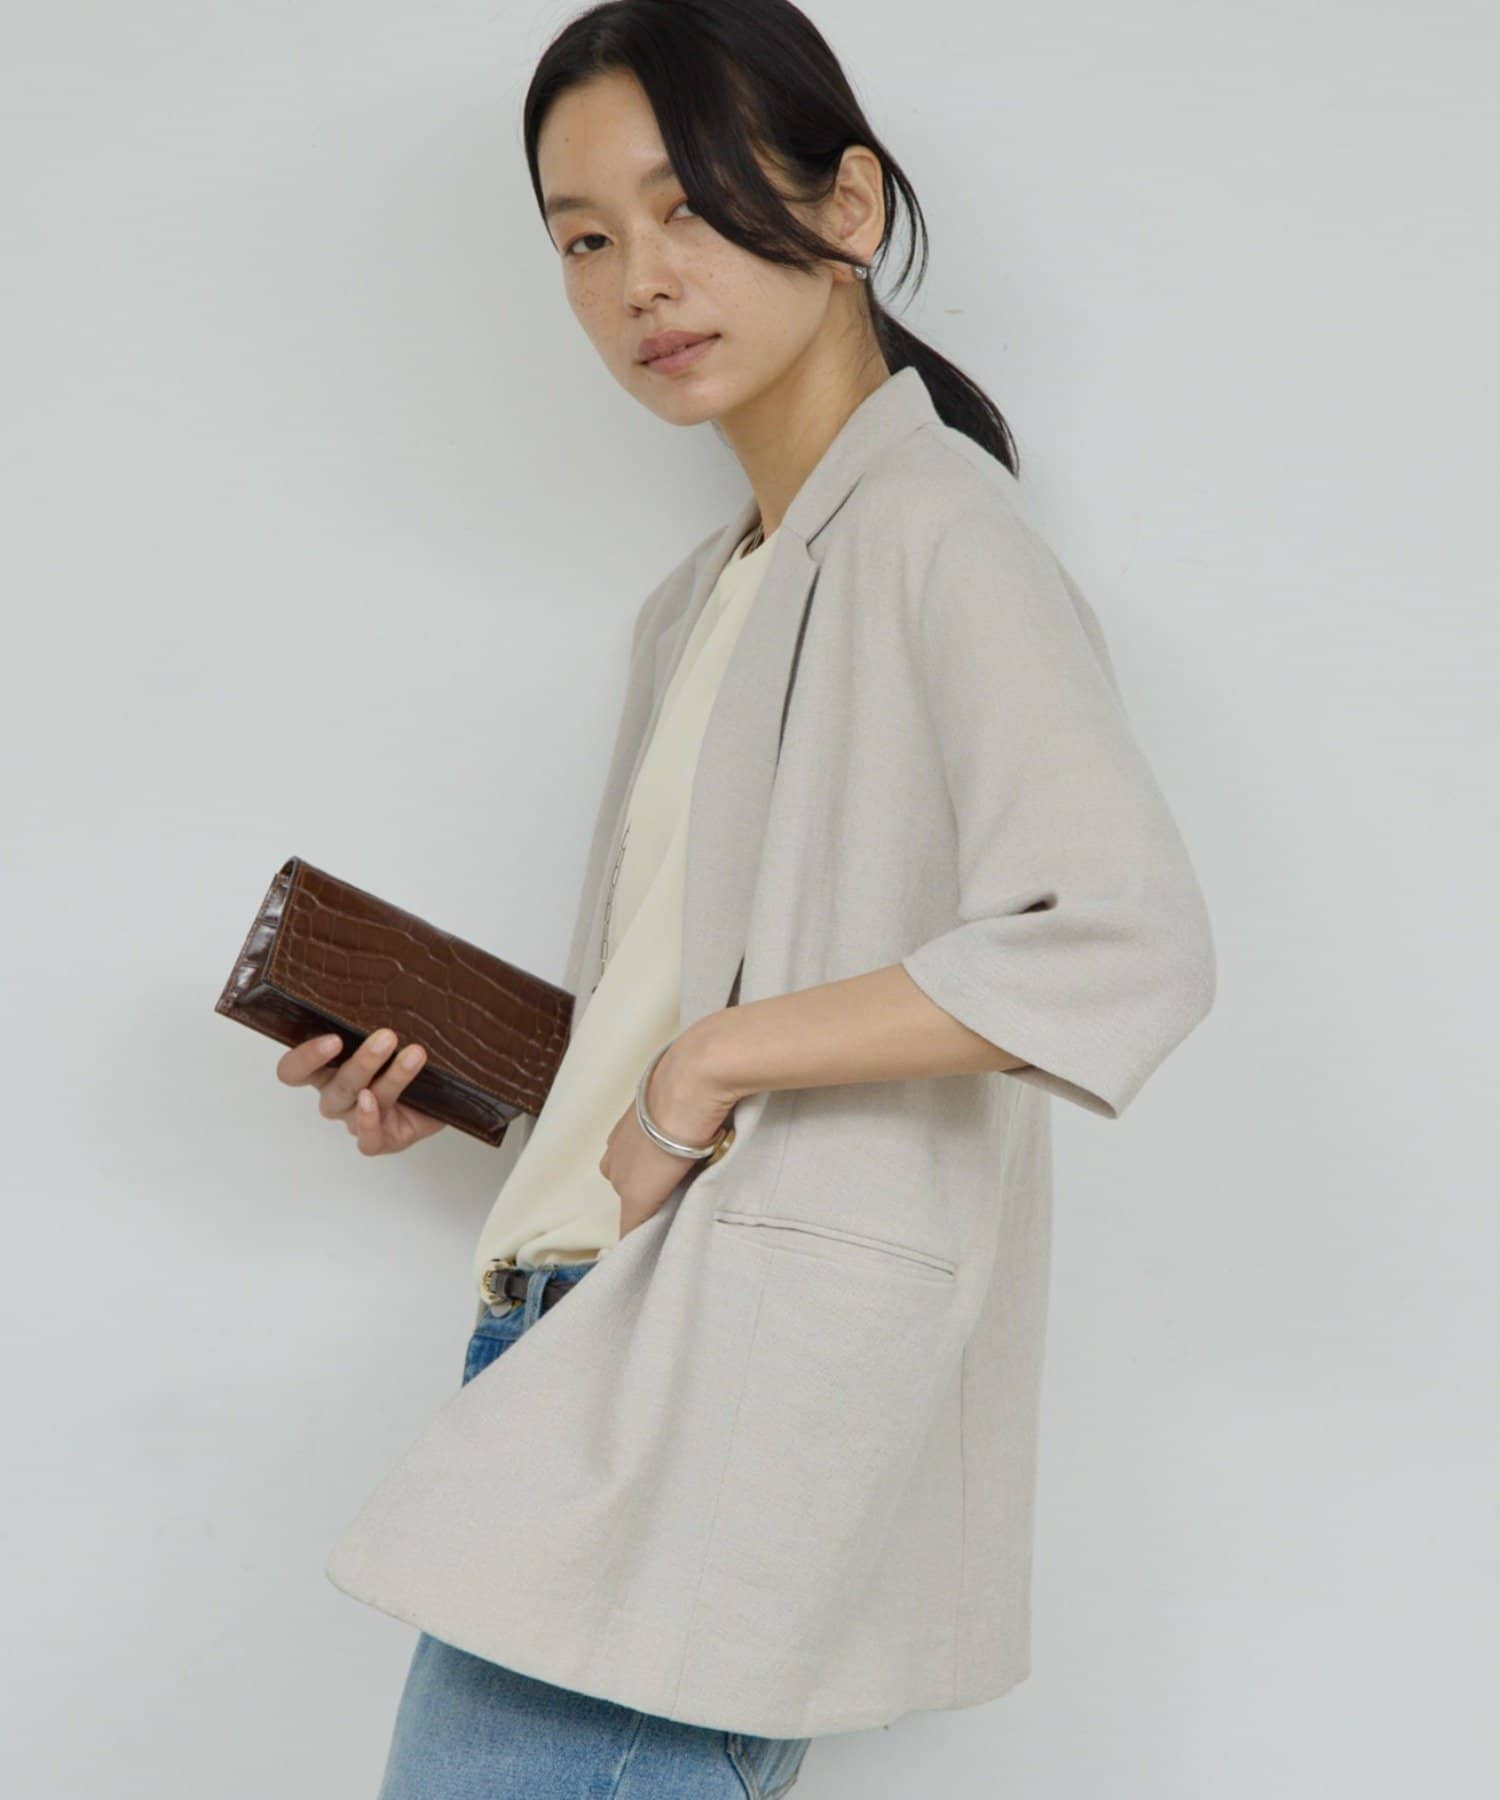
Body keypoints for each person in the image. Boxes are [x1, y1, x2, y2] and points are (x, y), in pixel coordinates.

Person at [282, 2, 1217, 1793]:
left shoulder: (944, 535)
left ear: (849, 207)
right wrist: (477, 1088)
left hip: (707, 1396)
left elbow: (1124, 939)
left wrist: (700, 1068)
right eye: (583, 239)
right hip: (582, 1337)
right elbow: (685, 1001)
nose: (642, 277)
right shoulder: (706, 595)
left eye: (689, 204)